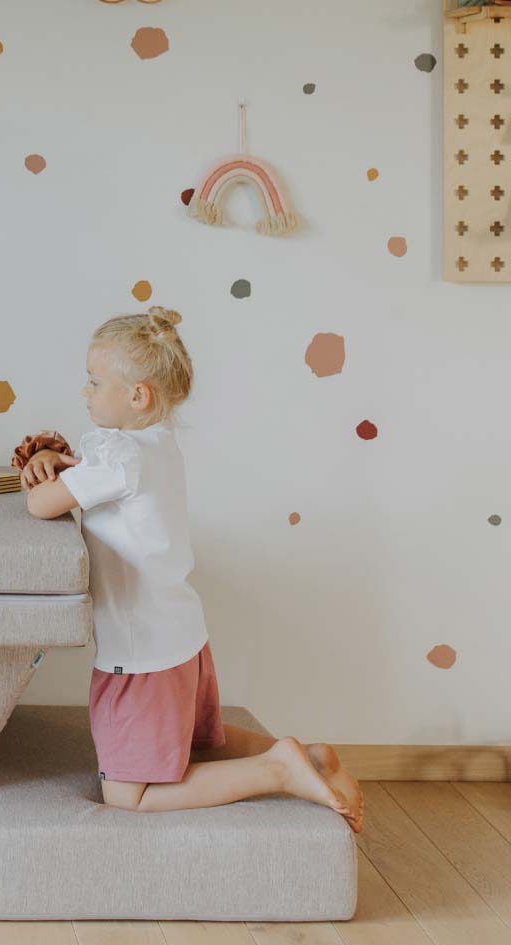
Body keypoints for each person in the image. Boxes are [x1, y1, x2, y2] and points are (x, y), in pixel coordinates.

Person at [19, 306, 364, 831]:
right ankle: (309, 756)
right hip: (181, 637)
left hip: (140, 657)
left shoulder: (118, 459)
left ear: (138, 395)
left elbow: (41, 505)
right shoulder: (153, 443)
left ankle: (278, 769)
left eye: (94, 382)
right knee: (202, 743)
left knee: (128, 797)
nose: (85, 392)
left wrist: (35, 472)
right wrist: (62, 464)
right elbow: (97, 469)